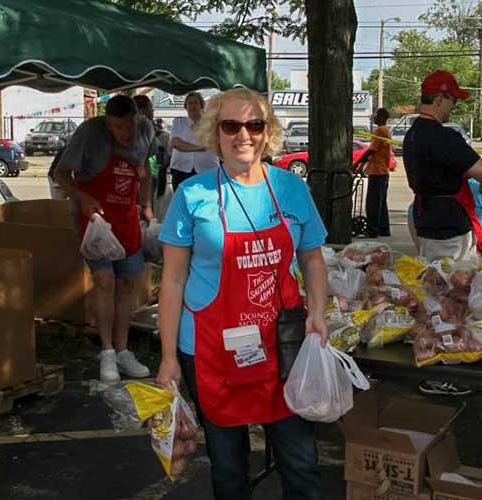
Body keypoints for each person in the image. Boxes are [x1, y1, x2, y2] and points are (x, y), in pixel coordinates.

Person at [156, 87, 329, 500]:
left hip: (281, 348)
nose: (243, 135)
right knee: (229, 468)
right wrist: (166, 359)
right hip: (210, 349)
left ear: (268, 133)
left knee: (300, 463)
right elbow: (173, 281)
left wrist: (318, 312)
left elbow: (314, 261)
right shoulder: (193, 195)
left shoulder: (291, 189)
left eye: (254, 124)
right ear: (214, 133)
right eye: (230, 125)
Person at [54, 95, 153, 382]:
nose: (123, 133)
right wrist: (82, 197)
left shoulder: (146, 130)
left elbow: (146, 170)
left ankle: (123, 351)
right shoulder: (89, 133)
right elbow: (60, 174)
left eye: (126, 126)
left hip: (126, 217)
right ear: (107, 123)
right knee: (105, 281)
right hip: (94, 219)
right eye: (116, 128)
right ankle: (107, 352)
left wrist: (145, 204)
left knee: (126, 284)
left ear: (136, 117)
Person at [403, 70, 482, 261]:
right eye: (453, 100)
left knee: (434, 281)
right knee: (455, 284)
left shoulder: (412, 134)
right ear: (439, 99)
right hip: (450, 230)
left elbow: (462, 172)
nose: (454, 106)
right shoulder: (443, 137)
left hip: (425, 222)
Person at [169, 91, 219, 192]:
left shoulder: (211, 124)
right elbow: (176, 143)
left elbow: (213, 142)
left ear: (201, 106)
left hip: (207, 169)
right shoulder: (179, 122)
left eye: (195, 103)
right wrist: (200, 148)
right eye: (189, 103)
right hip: (181, 169)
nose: (192, 106)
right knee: (181, 201)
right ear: (186, 106)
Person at [360, 107, 392, 238]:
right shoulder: (387, 130)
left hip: (377, 171)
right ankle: (384, 229)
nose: (374, 117)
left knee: (372, 203)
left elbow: (372, 150)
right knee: (381, 202)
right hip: (384, 171)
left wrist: (358, 163)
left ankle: (372, 230)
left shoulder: (380, 130)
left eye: (377, 115)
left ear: (383, 117)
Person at [133, 94, 161, 208]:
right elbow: (155, 157)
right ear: (143, 110)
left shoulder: (148, 127)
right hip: (144, 177)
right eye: (151, 109)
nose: (153, 113)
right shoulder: (145, 126)